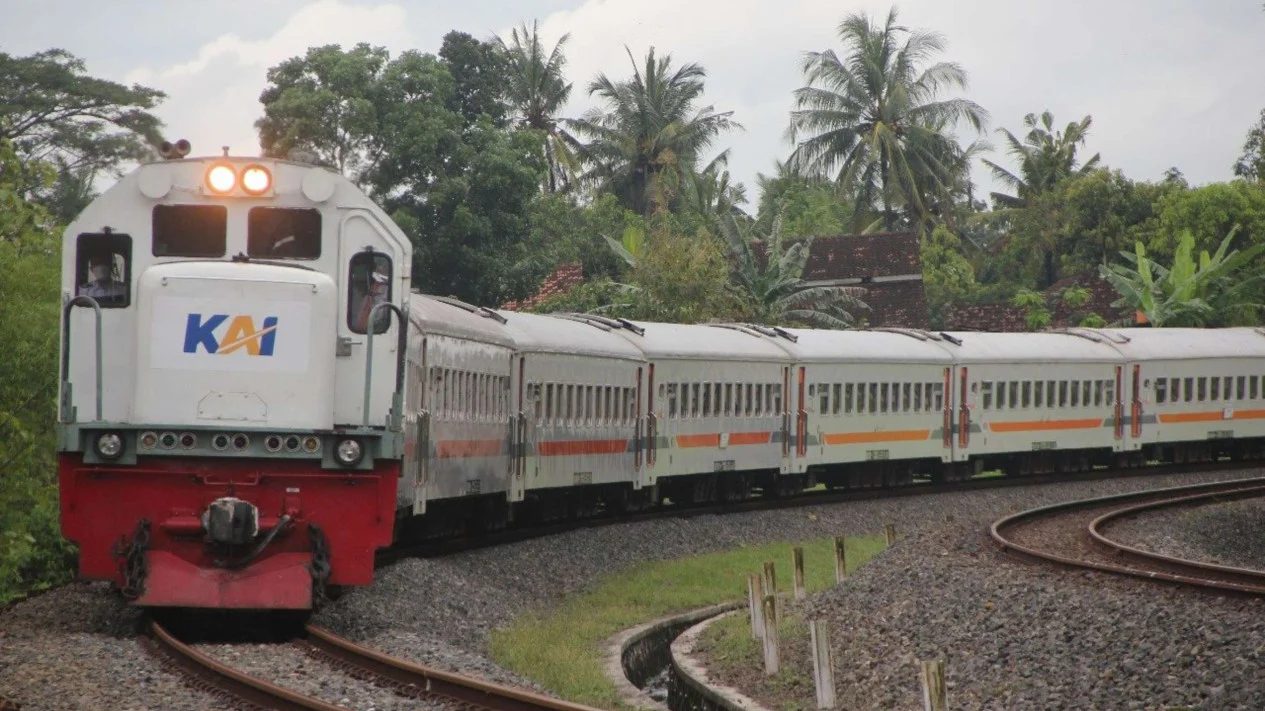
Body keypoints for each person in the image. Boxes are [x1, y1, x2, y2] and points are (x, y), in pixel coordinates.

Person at [353, 267, 390, 332]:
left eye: (381, 283)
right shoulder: (367, 298)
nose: (376, 284)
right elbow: (360, 325)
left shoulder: (386, 298)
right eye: (374, 282)